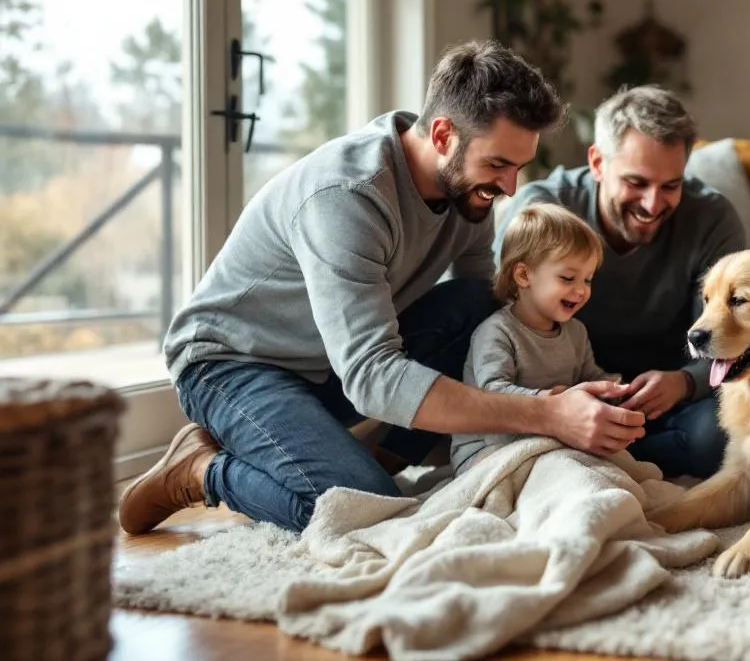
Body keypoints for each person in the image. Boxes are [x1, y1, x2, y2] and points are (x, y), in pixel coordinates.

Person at [118, 40, 644, 535]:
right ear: (443, 136)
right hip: (234, 363)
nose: (510, 187)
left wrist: (556, 386)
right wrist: (546, 413)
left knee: (475, 305)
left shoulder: (469, 193)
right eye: (498, 164)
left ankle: (368, 461)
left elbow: (489, 313)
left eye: (518, 166)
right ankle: (200, 471)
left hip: (329, 367)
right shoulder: (347, 197)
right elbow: (371, 376)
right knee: (361, 512)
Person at [495, 84, 747, 479]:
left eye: (671, 186)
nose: (652, 204)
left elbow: (728, 336)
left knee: (720, 437)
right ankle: (601, 454)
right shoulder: (543, 209)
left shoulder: (712, 218)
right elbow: (499, 323)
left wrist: (683, 382)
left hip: (670, 403)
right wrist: (557, 405)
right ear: (597, 163)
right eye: (636, 182)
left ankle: (601, 456)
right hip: (562, 397)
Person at [450, 202, 625, 473]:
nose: (580, 291)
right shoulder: (497, 332)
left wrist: (614, 389)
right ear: (523, 275)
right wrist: (546, 399)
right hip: (485, 448)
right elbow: (491, 393)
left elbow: (589, 374)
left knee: (615, 466)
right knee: (555, 474)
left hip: (547, 439)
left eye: (588, 280)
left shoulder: (576, 332)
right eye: (568, 278)